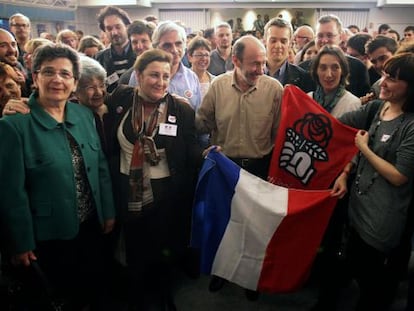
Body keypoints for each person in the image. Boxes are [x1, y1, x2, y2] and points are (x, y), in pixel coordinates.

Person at [0, 44, 115, 310]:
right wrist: (20, 241)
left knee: (91, 289)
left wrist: (107, 211)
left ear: (75, 82)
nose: (57, 80)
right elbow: (10, 192)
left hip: (90, 225)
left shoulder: (84, 115)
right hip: (48, 235)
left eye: (65, 74)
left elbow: (100, 168)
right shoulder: (13, 126)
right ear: (35, 75)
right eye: (48, 71)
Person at [105, 49, 202, 310]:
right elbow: (87, 101)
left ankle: (163, 294)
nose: (160, 82)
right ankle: (136, 295)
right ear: (138, 75)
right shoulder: (121, 99)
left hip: (165, 193)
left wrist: (209, 156)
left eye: (165, 76)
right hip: (126, 190)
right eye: (153, 75)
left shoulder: (180, 109)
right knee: (133, 247)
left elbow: (190, 148)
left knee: (163, 249)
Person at [196, 35, 283, 301]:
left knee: (256, 229)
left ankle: (250, 277)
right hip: (226, 169)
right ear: (235, 61)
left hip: (259, 169)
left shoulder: (275, 89)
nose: (260, 70)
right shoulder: (218, 87)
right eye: (254, 64)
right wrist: (207, 146)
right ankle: (222, 272)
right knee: (224, 225)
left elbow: (279, 133)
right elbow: (201, 123)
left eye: (263, 63)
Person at [330, 52, 414, 311]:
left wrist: (364, 148)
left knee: (372, 282)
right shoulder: (380, 108)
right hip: (359, 206)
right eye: (385, 75)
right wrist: (345, 172)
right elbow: (337, 124)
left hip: (382, 217)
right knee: (354, 263)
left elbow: (399, 176)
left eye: (392, 78)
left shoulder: (410, 125)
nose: (383, 82)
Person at [299, 14, 370, 98]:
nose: (324, 40)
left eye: (329, 35)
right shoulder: (303, 69)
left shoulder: (358, 67)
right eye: (320, 36)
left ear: (340, 37)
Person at [308, 45, 361, 117]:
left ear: (342, 70)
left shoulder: (352, 104)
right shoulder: (307, 99)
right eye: (323, 68)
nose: (328, 75)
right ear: (316, 71)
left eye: (335, 68)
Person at [263, 17, 313, 92]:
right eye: (273, 41)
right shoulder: (252, 75)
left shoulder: (304, 79)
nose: (278, 46)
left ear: (290, 44)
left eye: (283, 41)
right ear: (264, 42)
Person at [95, 5, 135, 92]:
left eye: (118, 27)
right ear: (104, 31)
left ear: (127, 26)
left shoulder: (140, 54)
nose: (114, 32)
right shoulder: (99, 58)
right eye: (109, 29)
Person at [118, 19, 155, 85]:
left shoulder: (166, 72)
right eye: (135, 42)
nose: (139, 46)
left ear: (152, 41)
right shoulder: (126, 78)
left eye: (144, 41)